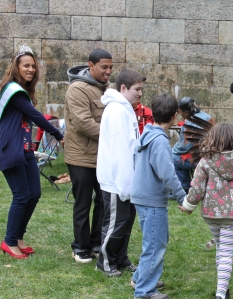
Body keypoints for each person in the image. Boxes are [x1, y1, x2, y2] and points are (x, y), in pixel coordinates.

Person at [0, 45, 64, 259]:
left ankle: (18, 237)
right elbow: (36, 116)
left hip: (25, 150)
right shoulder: (13, 90)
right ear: (16, 67)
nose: (31, 69)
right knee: (21, 195)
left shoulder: (23, 91)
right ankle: (9, 242)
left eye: (33, 66)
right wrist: (59, 134)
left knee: (34, 194)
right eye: (26, 65)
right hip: (11, 149)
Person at [180, 123, 233, 299]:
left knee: (221, 249)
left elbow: (197, 187)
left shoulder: (206, 161)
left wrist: (188, 206)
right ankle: (221, 294)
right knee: (226, 253)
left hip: (211, 214)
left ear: (212, 139)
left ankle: (223, 289)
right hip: (231, 215)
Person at [131, 93, 186, 299]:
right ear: (174, 116)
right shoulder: (161, 141)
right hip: (152, 199)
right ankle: (144, 290)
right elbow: (168, 174)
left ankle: (140, 278)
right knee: (155, 244)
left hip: (142, 195)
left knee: (152, 240)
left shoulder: (147, 134)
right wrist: (182, 197)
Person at [64, 48, 113, 263]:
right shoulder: (77, 89)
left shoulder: (108, 89)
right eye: (104, 67)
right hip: (81, 158)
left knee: (103, 202)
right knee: (82, 203)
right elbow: (84, 124)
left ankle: (95, 243)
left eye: (111, 67)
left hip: (101, 157)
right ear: (90, 65)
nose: (108, 71)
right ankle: (80, 247)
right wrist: (113, 136)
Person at [95, 69, 145, 277]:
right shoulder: (116, 111)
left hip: (126, 180)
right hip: (117, 181)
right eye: (137, 89)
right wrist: (125, 185)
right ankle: (105, 261)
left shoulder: (126, 109)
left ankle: (121, 259)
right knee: (115, 223)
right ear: (123, 88)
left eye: (142, 89)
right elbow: (119, 151)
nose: (140, 94)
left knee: (126, 222)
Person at [172, 97, 214, 193]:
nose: (180, 114)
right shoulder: (208, 117)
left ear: (186, 113)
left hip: (199, 158)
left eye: (180, 111)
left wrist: (172, 150)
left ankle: (184, 186)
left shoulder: (190, 123)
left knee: (173, 158)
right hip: (211, 155)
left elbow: (183, 147)